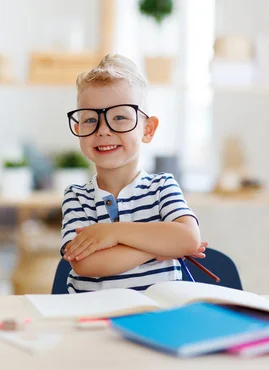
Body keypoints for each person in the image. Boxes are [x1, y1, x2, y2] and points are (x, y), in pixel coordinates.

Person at [60, 54, 207, 293]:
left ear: (147, 129)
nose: (104, 130)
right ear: (78, 129)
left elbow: (188, 239)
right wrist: (159, 247)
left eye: (119, 117)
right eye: (90, 119)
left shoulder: (163, 187)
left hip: (157, 320)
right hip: (93, 319)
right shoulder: (76, 197)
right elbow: (85, 263)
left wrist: (112, 233)